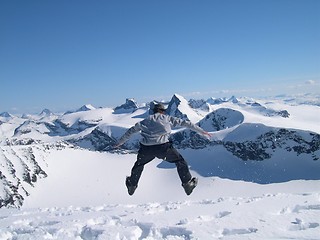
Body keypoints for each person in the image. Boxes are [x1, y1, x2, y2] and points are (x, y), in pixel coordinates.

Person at [115, 103, 211, 196]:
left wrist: (120, 142)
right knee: (179, 161)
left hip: (146, 149)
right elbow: (186, 123)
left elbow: (130, 131)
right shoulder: (167, 118)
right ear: (162, 111)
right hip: (163, 148)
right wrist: (202, 131)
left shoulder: (144, 121)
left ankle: (132, 186)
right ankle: (187, 184)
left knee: (139, 165)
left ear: (153, 111)